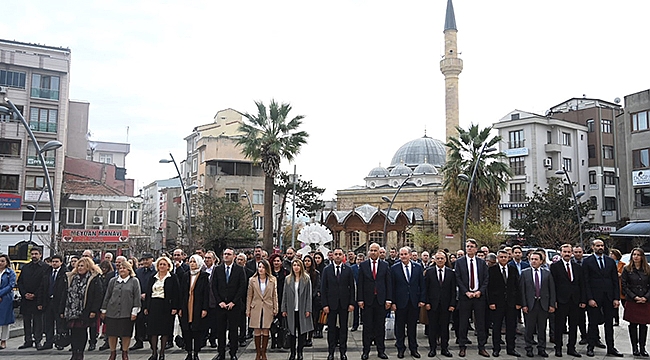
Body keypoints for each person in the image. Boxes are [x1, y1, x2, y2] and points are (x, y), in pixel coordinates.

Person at [583, 240, 623, 357]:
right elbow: (586, 282)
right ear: (592, 247)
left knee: (609, 324)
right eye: (597, 246)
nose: (600, 247)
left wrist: (616, 298)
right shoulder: (587, 262)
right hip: (594, 298)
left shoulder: (610, 261)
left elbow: (615, 281)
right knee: (593, 323)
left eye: (601, 245)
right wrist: (589, 298)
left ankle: (611, 348)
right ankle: (590, 346)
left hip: (609, 297)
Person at [62, 256, 104, 360]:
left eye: (83, 266)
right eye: (79, 266)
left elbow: (97, 296)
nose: (80, 268)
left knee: (81, 332)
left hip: (85, 309)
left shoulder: (94, 278)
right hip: (72, 309)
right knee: (73, 332)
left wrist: (94, 310)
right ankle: (74, 353)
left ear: (88, 267)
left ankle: (80, 353)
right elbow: (65, 294)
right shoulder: (72, 277)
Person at [454, 239, 489, 358]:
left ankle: (482, 347)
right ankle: (462, 346)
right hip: (465, 297)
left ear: (476, 248)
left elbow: (485, 279)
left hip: (479, 297)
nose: (469, 248)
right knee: (463, 322)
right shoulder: (459, 262)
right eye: (467, 246)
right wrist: (466, 292)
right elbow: (458, 278)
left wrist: (480, 291)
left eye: (472, 246)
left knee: (480, 323)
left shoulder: (481, 262)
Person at [357, 243, 392, 360]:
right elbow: (360, 284)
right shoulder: (363, 265)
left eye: (375, 250)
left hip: (381, 301)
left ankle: (381, 351)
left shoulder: (385, 265)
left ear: (379, 252)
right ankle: (365, 351)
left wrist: (388, 299)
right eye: (371, 250)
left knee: (380, 327)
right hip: (367, 301)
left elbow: (388, 283)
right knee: (367, 327)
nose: (373, 252)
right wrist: (360, 299)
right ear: (368, 252)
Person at [549, 244, 585, 357]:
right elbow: (552, 285)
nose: (567, 254)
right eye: (565, 251)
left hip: (574, 300)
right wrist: (553, 300)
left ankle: (571, 348)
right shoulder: (555, 267)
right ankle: (558, 348)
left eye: (569, 252)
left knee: (573, 325)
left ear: (572, 253)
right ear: (561, 253)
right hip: (561, 301)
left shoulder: (577, 267)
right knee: (559, 325)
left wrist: (582, 300)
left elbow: (581, 285)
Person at [101, 261, 141, 360]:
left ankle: (124, 352)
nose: (122, 270)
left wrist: (134, 311)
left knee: (126, 334)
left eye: (124, 268)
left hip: (126, 311)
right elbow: (107, 296)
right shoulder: (113, 281)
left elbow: (137, 297)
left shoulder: (134, 281)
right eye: (120, 268)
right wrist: (104, 310)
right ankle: (113, 352)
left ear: (129, 270)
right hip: (112, 311)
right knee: (112, 333)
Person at [143, 256, 180, 360]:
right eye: (160, 264)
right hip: (154, 305)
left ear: (168, 266)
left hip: (166, 305)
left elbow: (176, 293)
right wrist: (146, 306)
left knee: (165, 330)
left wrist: (175, 307)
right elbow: (148, 293)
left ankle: (162, 353)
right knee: (152, 331)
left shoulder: (172, 277)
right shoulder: (152, 277)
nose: (162, 266)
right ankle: (154, 352)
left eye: (164, 264)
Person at [391, 246, 425, 359]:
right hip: (400, 302)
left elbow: (422, 285)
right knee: (399, 327)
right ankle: (400, 348)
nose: (403, 256)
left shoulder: (418, 267)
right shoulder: (394, 268)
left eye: (405, 254)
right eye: (401, 254)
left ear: (410, 255)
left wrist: (422, 300)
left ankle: (413, 348)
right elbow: (392, 287)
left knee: (412, 327)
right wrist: (393, 303)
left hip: (414, 302)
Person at [321, 248, 355, 360]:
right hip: (331, 304)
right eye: (336, 254)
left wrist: (351, 303)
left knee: (344, 328)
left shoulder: (348, 270)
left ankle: (343, 352)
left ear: (343, 256)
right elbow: (323, 288)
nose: (338, 256)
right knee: (331, 329)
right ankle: (330, 352)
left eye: (340, 254)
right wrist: (325, 304)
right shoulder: (327, 270)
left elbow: (352, 288)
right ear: (332, 256)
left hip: (344, 304)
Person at [213, 248, 247, 360]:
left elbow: (242, 287)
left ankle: (233, 352)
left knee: (233, 330)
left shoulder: (239, 269)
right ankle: (221, 353)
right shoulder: (217, 269)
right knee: (220, 330)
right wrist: (220, 301)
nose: (226, 256)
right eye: (225, 254)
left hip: (234, 305)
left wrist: (234, 302)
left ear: (234, 256)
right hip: (221, 305)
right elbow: (214, 287)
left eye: (229, 254)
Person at [520, 252, 555, 358]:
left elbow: (551, 290)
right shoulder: (524, 273)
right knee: (529, 328)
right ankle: (529, 348)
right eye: (532, 259)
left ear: (541, 261)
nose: (534, 261)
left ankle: (541, 348)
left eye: (536, 259)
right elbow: (522, 291)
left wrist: (552, 304)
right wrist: (524, 305)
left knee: (542, 328)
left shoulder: (547, 273)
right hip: (530, 304)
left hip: (543, 304)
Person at [487, 250, 521, 357]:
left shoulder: (513, 269)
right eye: (501, 257)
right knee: (497, 327)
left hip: (511, 303)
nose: (503, 259)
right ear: (497, 258)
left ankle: (511, 348)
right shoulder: (492, 270)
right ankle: (496, 348)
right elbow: (489, 288)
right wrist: (491, 302)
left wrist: (518, 302)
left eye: (505, 257)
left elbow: (517, 286)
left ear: (508, 258)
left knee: (511, 327)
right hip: (497, 303)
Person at [424, 251, 456, 358]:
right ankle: (432, 349)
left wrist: (452, 304)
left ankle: (444, 348)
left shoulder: (451, 272)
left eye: (442, 258)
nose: (440, 260)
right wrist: (427, 302)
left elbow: (453, 291)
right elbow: (426, 289)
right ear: (434, 260)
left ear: (445, 260)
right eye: (438, 258)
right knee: (432, 328)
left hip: (446, 305)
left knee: (444, 328)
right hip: (432, 304)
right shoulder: (429, 272)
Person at [178, 255, 210, 360]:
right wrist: (180, 308)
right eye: (190, 262)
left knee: (197, 330)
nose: (192, 264)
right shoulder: (185, 275)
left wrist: (205, 308)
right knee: (186, 330)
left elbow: (206, 293)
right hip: (186, 306)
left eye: (194, 262)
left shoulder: (204, 276)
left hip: (198, 306)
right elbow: (182, 293)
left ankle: (196, 352)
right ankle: (189, 352)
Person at [281, 259, 313, 360]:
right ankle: (292, 352)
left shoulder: (306, 279)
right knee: (292, 332)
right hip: (291, 309)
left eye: (298, 265)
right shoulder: (288, 279)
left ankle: (300, 352)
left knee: (302, 332)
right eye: (294, 265)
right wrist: (284, 308)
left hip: (302, 309)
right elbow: (284, 294)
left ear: (301, 267)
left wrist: (308, 309)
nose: (296, 267)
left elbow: (309, 295)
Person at [17, 247, 48, 349]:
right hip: (26, 299)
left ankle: (38, 340)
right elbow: (20, 282)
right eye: (32, 254)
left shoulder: (45, 267)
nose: (34, 256)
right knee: (26, 320)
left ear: (40, 255)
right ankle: (28, 340)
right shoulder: (25, 267)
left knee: (38, 321)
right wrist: (24, 293)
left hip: (38, 298)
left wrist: (35, 294)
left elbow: (44, 284)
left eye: (36, 254)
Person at [247, 259, 278, 360]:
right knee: (257, 329)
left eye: (263, 267)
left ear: (267, 269)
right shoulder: (252, 279)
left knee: (265, 329)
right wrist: (248, 310)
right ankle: (258, 352)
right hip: (256, 307)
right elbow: (249, 296)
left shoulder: (272, 280)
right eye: (259, 267)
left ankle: (263, 352)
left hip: (268, 306)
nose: (261, 269)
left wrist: (275, 308)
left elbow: (274, 295)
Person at [621, 248, 650, 357]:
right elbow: (624, 286)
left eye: (638, 255)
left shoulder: (648, 269)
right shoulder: (627, 269)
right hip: (633, 300)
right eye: (634, 254)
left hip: (645, 300)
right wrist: (635, 297)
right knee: (633, 324)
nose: (636, 257)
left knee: (643, 325)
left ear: (642, 257)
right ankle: (635, 347)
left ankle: (643, 348)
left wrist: (645, 297)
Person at [39, 254, 68, 350]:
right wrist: (40, 302)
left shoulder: (65, 273)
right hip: (48, 301)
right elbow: (42, 288)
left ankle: (60, 342)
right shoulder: (47, 272)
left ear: (61, 262)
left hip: (59, 302)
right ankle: (49, 341)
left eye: (56, 262)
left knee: (60, 323)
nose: (54, 263)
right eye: (53, 262)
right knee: (48, 323)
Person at [131, 253, 155, 351]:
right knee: (139, 321)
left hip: (151, 300)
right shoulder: (138, 271)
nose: (145, 262)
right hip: (139, 299)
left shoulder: (156, 271)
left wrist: (148, 294)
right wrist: (139, 294)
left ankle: (151, 342)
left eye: (147, 259)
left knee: (150, 321)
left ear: (152, 260)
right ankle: (138, 341)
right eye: (143, 260)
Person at [269, 253, 290, 347]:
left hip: (282, 300)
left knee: (282, 322)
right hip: (271, 300)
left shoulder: (286, 273)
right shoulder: (269, 273)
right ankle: (273, 339)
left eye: (278, 261)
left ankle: (281, 340)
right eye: (274, 261)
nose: (276, 263)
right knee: (272, 322)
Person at [302, 255, 320, 347]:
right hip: (302, 300)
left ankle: (310, 337)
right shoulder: (301, 273)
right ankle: (304, 337)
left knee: (313, 319)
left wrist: (312, 295)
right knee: (304, 319)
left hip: (313, 300)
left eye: (309, 261)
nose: (307, 262)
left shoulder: (316, 273)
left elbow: (317, 286)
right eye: (305, 261)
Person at [0, 254, 16, 350]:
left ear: (6, 262)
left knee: (5, 320)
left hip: (6, 298)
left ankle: (3, 340)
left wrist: (0, 294)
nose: (0, 263)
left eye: (3, 261)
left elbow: (11, 285)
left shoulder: (10, 273)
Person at [609, 249, 625, 326]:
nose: (611, 255)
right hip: (612, 286)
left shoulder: (622, 264)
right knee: (614, 304)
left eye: (612, 254)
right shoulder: (608, 263)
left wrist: (619, 274)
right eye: (610, 254)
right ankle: (616, 320)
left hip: (621, 286)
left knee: (624, 303)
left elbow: (624, 274)